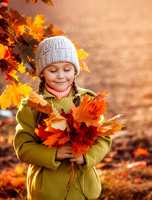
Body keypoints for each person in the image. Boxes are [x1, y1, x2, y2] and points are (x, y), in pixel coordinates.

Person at [14, 36, 111, 200]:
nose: (60, 76)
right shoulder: (32, 106)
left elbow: (103, 139)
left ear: (75, 71)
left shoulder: (87, 100)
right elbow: (23, 147)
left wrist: (86, 157)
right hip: (48, 190)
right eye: (53, 70)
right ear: (42, 73)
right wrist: (54, 154)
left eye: (67, 69)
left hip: (83, 187)